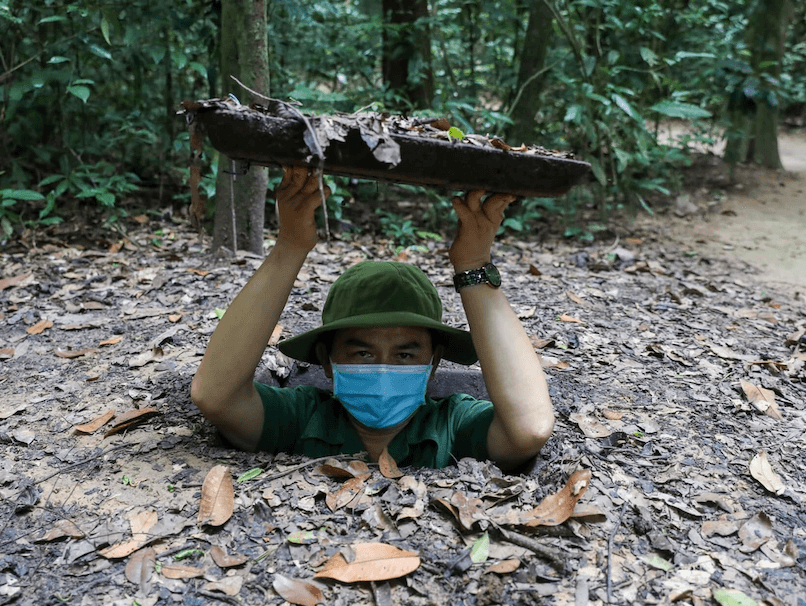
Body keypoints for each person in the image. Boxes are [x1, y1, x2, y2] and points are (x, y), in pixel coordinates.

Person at [191, 166, 554, 471]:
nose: (383, 370)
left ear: (434, 362)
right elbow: (216, 397)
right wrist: (289, 246)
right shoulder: (301, 418)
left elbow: (530, 428)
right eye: (362, 354)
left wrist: (473, 265)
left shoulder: (452, 425)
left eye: (405, 355)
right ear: (326, 361)